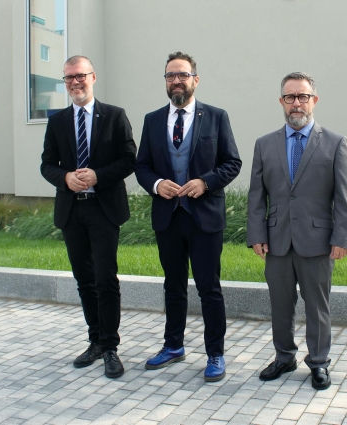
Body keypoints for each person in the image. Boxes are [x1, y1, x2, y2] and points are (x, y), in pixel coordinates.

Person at [135, 51, 242, 382]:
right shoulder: (152, 120)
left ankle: (215, 354)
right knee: (173, 285)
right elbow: (142, 166)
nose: (176, 80)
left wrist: (205, 182)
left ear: (195, 79)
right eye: (170, 76)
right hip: (169, 216)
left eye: (182, 75)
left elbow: (232, 162)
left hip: (204, 217)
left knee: (208, 287)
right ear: (165, 81)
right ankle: (173, 345)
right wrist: (155, 184)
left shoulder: (216, 117)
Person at [246, 72, 347, 390]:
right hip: (277, 241)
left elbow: (345, 197)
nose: (296, 103)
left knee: (317, 306)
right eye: (290, 97)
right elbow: (256, 196)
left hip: (318, 242)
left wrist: (341, 238)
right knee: (280, 304)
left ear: (314, 101)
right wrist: (257, 234)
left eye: (303, 96)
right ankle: (284, 357)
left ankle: (319, 362)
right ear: (282, 101)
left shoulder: (335, 143)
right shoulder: (264, 144)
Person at [40, 55, 136, 379]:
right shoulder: (57, 122)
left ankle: (111, 348)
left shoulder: (115, 116)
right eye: (69, 78)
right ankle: (94, 341)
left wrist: (98, 175)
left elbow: (129, 160)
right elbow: (47, 164)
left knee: (106, 278)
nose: (75, 82)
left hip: (103, 208)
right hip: (71, 210)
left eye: (80, 76)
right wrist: (65, 178)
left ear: (92, 77)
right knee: (84, 280)